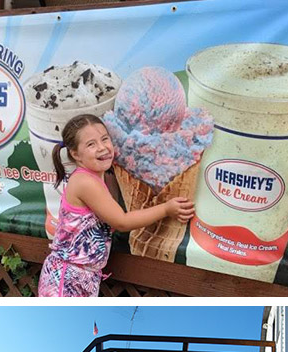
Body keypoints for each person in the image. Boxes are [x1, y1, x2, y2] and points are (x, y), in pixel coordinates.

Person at [38, 114, 193, 297]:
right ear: (75, 154)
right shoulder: (84, 182)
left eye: (105, 139)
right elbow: (121, 221)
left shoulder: (97, 178)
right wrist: (166, 209)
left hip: (83, 275)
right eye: (91, 144)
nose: (102, 147)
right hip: (67, 277)